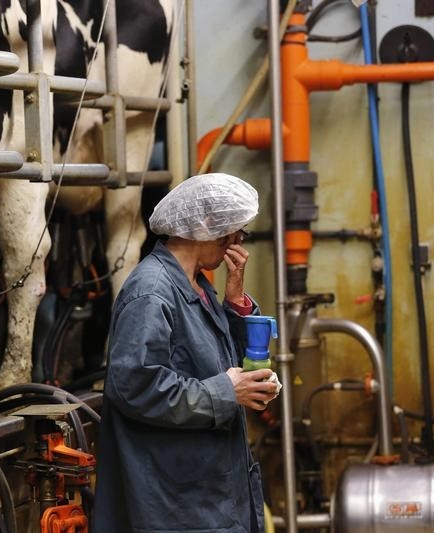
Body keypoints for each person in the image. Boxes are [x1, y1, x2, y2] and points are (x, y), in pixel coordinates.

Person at [92, 172, 280, 532]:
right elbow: (135, 386)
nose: (237, 242)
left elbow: (215, 360)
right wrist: (228, 391)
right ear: (206, 225)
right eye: (233, 232)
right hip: (174, 503)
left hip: (206, 491)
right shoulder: (152, 292)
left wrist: (236, 301)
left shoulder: (197, 285)